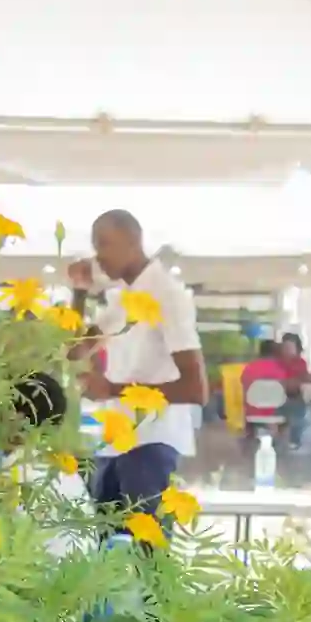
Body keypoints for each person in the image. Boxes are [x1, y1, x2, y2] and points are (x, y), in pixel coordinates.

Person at [67, 210, 206, 515]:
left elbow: (196, 389)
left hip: (153, 444)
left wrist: (112, 389)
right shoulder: (124, 297)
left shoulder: (168, 295)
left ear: (134, 241)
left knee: (146, 555)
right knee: (104, 551)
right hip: (117, 443)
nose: (98, 257)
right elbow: (74, 350)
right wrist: (79, 291)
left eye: (104, 244)